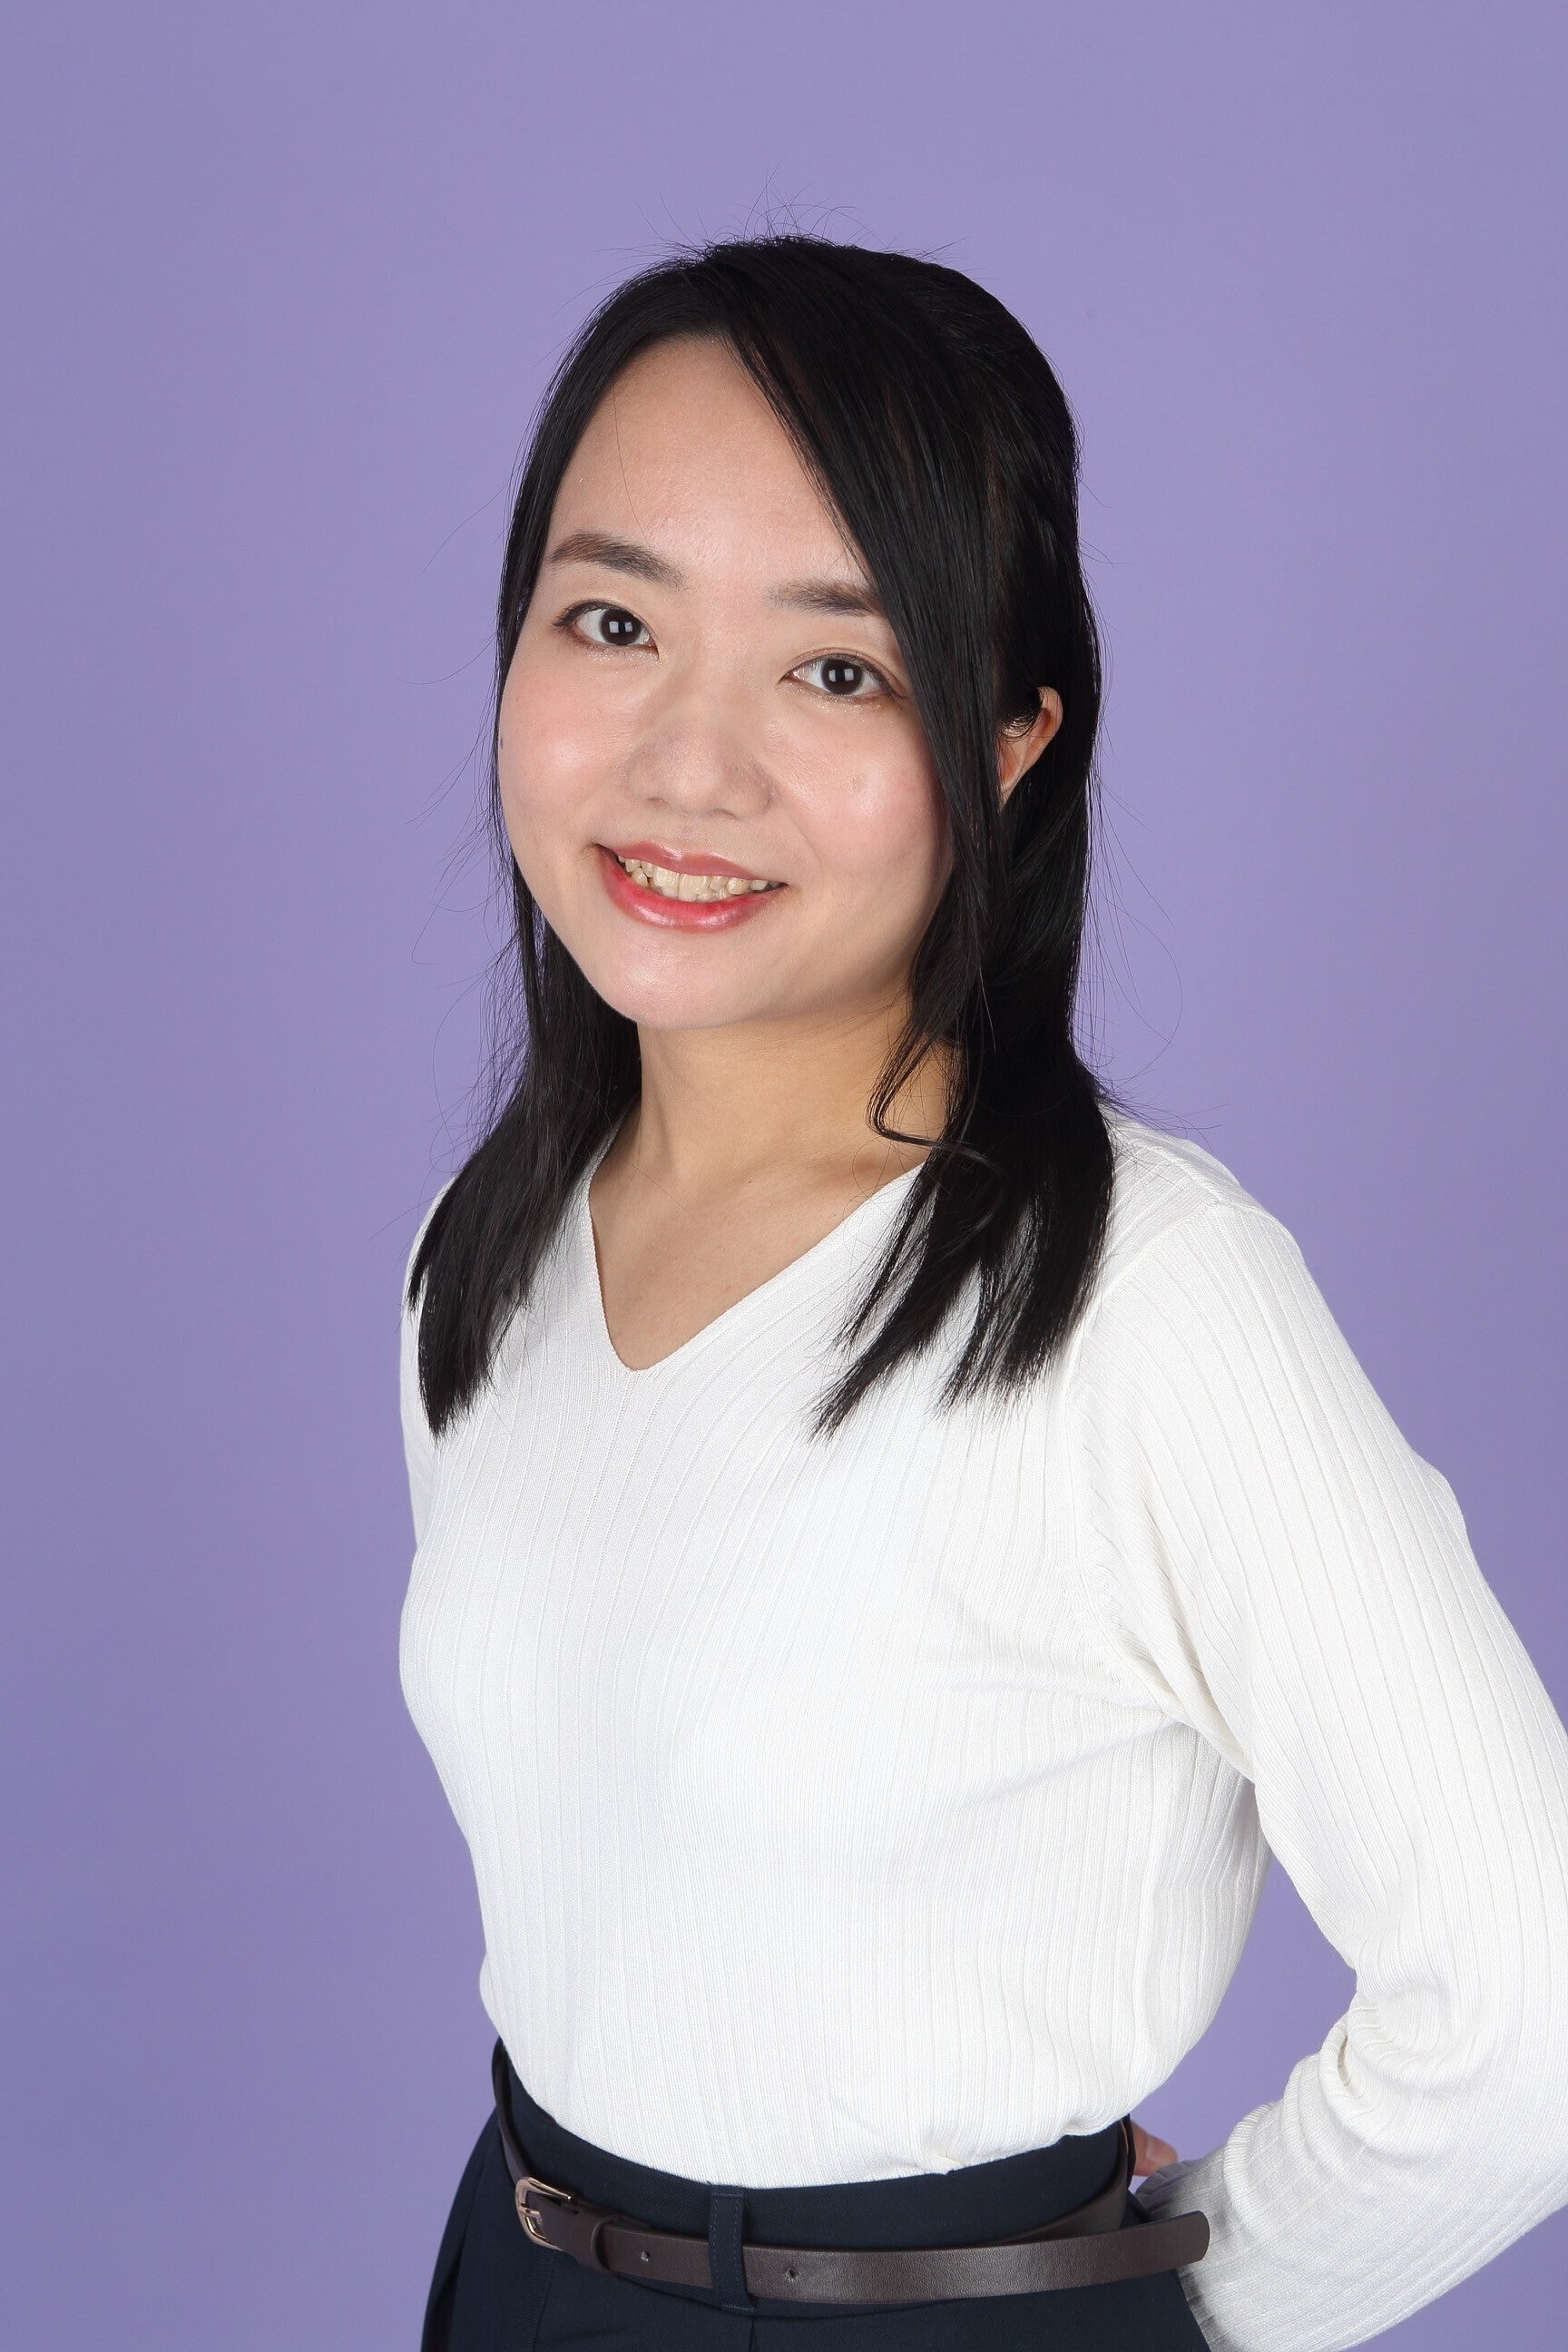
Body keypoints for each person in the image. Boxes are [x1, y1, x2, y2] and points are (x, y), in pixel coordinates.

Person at [397, 235, 1568, 2352]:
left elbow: (1534, 2016)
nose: (687, 766)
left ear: (1013, 738)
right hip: (525, 2270)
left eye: (838, 670)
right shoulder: (484, 1251)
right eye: (613, 621)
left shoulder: (1145, 1303)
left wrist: (1165, 2311)